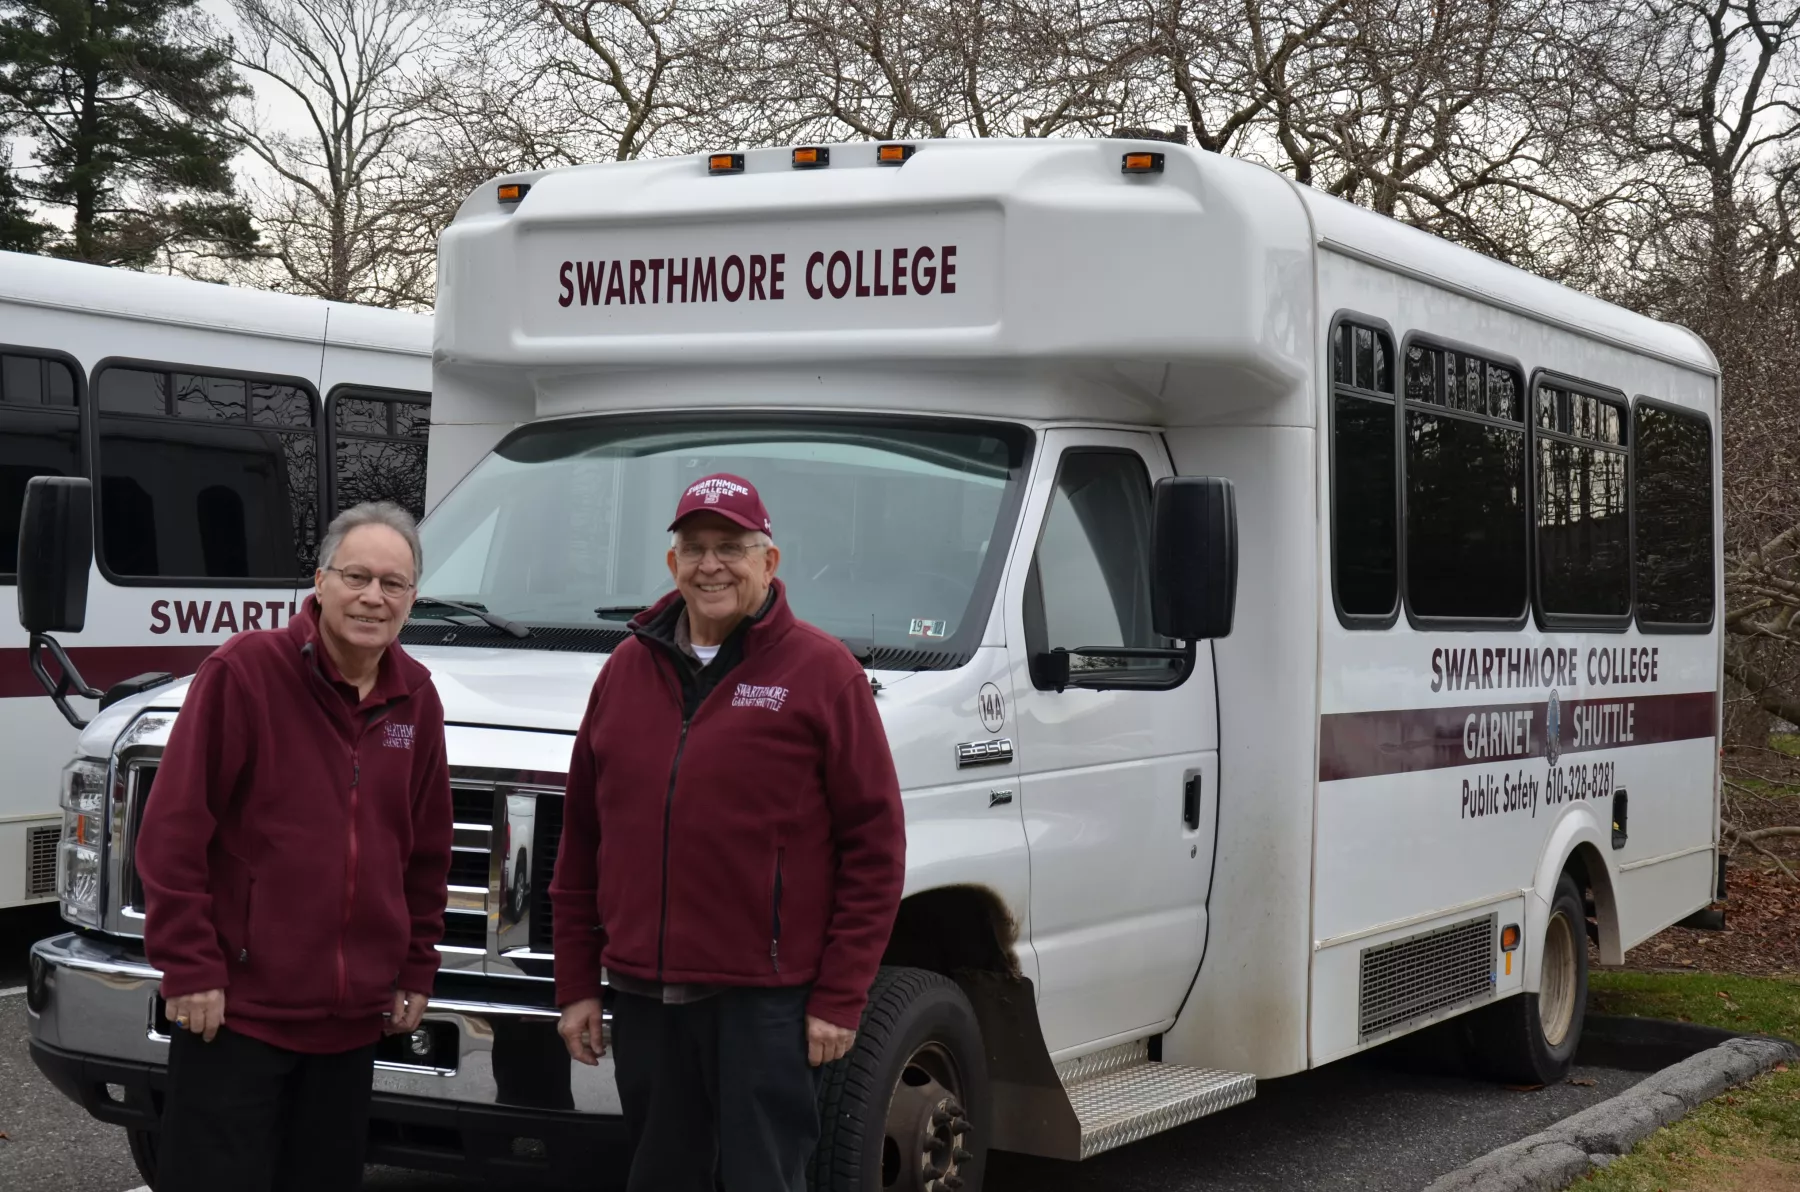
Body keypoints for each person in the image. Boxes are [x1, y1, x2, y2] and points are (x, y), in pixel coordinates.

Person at [552, 473, 906, 1192]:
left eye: (731, 548)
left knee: (763, 1180)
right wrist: (577, 982)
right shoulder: (624, 671)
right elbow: (583, 837)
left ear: (768, 563)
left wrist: (841, 997)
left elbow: (875, 849)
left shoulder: (822, 673)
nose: (711, 564)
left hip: (765, 1004)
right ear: (672, 565)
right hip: (646, 998)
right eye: (695, 548)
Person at [136, 502, 453, 1192]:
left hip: (350, 1025)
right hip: (238, 1016)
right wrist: (190, 966)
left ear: (411, 599)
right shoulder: (245, 673)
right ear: (320, 580)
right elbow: (173, 831)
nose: (373, 597)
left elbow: (427, 854)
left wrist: (415, 968)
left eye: (393, 584)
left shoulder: (417, 699)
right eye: (357, 576)